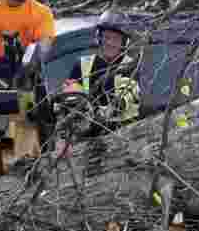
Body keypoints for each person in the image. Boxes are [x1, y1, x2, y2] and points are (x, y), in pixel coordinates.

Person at [56, 10, 141, 156]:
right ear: (99, 38)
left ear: (125, 42)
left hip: (124, 137)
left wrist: (108, 110)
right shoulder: (82, 65)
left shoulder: (130, 65)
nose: (110, 43)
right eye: (107, 37)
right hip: (87, 140)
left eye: (115, 39)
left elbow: (128, 94)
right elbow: (68, 99)